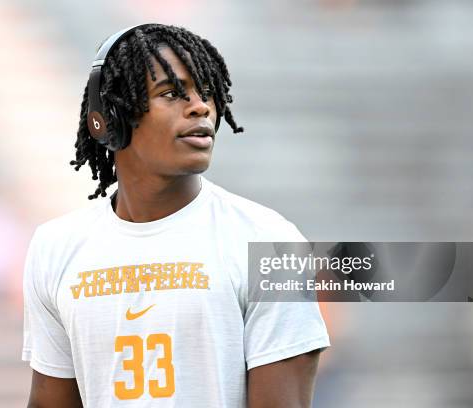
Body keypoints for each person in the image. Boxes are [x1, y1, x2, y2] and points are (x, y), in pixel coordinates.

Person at [22, 23, 330, 408]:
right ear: (109, 118)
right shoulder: (55, 247)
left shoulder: (269, 240)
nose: (201, 106)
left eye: (207, 93)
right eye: (171, 93)